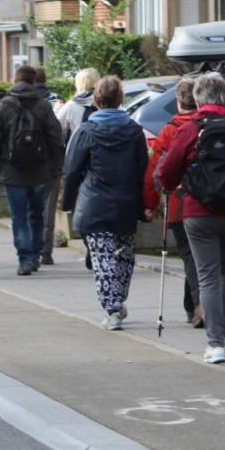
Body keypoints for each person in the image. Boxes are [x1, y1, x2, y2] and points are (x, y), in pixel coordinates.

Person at [160, 73, 225, 364]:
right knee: (224, 272)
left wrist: (172, 186)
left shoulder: (190, 129)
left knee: (207, 276)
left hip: (198, 213)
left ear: (197, 99)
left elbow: (167, 172)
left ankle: (215, 343)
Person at [63, 76, 148, 330]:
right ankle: (117, 300)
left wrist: (67, 201)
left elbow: (72, 170)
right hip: (126, 203)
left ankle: (111, 308)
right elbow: (143, 170)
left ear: (96, 99)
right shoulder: (134, 130)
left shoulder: (86, 131)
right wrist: (145, 205)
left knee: (102, 258)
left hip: (95, 204)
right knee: (124, 256)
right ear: (120, 99)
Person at [0, 66, 64, 275]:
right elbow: (56, 138)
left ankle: (24, 259)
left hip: (13, 171)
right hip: (39, 171)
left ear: (15, 80)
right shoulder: (43, 107)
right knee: (36, 213)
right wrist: (55, 166)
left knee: (19, 216)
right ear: (33, 82)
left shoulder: (2, 106)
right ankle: (37, 253)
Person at [142, 78, 202, 326]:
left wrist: (149, 202)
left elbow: (156, 170)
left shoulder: (170, 130)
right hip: (212, 201)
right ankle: (193, 305)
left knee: (189, 255)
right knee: (202, 257)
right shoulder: (206, 125)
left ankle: (198, 304)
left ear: (178, 102)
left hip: (179, 203)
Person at [34, 68, 64, 265]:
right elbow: (58, 135)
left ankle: (28, 252)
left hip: (24, 166)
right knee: (48, 209)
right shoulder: (56, 99)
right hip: (50, 165)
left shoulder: (14, 100)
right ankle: (45, 252)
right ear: (45, 81)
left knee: (28, 209)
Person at [56, 67, 99, 143]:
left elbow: (55, 127)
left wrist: (57, 110)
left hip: (80, 150)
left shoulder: (71, 105)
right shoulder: (106, 101)